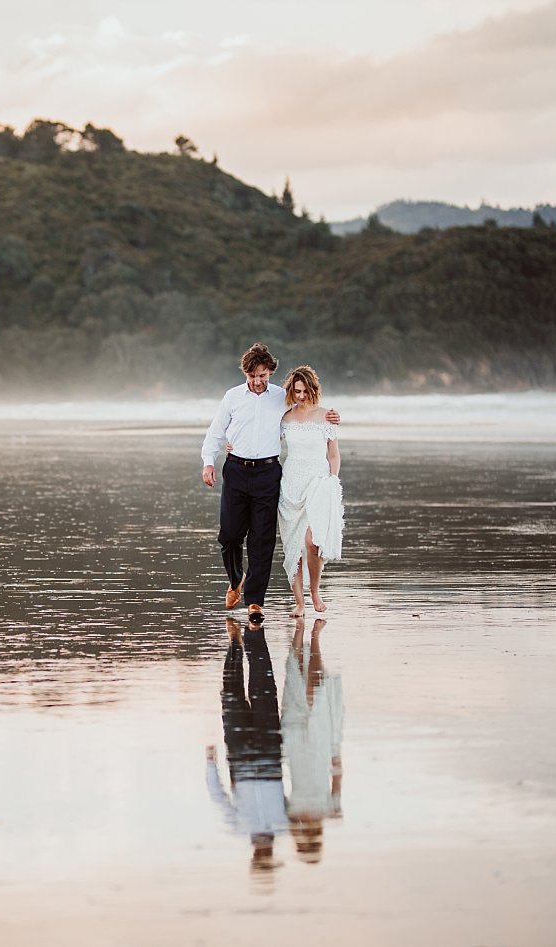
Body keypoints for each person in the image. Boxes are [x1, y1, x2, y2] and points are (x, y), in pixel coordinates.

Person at [201, 344, 337, 621]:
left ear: (270, 373)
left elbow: (307, 411)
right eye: (252, 375)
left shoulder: (281, 397)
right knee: (229, 535)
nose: (257, 381)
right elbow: (215, 433)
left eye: (262, 375)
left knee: (262, 540)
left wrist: (333, 418)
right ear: (246, 373)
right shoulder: (232, 397)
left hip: (268, 474)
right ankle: (235, 577)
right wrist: (208, 462)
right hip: (236, 470)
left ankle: (255, 602)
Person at [205, 617, 286, 882]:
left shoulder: (243, 828)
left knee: (234, 694)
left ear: (255, 856)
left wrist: (210, 764)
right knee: (257, 690)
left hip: (249, 758)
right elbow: (218, 796)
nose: (264, 852)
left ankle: (237, 643)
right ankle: (250, 637)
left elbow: (218, 797)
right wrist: (210, 765)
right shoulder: (282, 826)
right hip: (263, 756)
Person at [277, 366, 343, 616]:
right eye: (296, 392)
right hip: (291, 484)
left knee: (312, 542)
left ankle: (315, 592)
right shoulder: (284, 419)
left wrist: (331, 482)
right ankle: (300, 602)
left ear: (313, 390)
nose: (301, 396)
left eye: (305, 391)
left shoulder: (327, 416)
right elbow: (264, 441)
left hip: (318, 483)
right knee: (293, 545)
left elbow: (334, 455)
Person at [280, 617, 343, 864]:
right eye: (311, 840)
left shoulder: (290, 814)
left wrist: (295, 828)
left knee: (296, 690)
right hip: (319, 749)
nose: (305, 835)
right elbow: (337, 779)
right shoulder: (330, 810)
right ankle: (315, 638)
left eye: (304, 841)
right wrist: (336, 753)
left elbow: (278, 790)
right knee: (315, 692)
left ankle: (298, 638)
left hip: (295, 749)